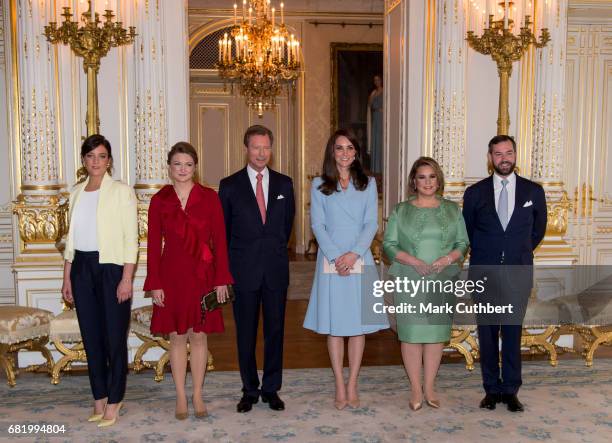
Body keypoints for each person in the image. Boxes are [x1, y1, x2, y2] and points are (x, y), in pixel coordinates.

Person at [143, 142, 232, 420]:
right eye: (177, 164)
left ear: (195, 167)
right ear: (169, 168)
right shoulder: (160, 200)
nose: (183, 169)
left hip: (203, 276)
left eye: (188, 164)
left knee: (200, 335)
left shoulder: (209, 198)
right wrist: (155, 283)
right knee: (177, 337)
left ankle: (197, 394)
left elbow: (220, 242)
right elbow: (153, 245)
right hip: (171, 277)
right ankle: (181, 395)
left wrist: (221, 280)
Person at [304, 129, 389, 410]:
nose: (344, 153)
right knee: (335, 326)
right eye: (339, 148)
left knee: (357, 326)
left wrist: (353, 255)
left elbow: (371, 224)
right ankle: (339, 384)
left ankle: (353, 383)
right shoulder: (318, 184)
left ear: (356, 153)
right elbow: (317, 225)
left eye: (349, 148)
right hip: (330, 259)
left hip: (359, 258)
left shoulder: (368, 184)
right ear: (332, 152)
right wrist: (336, 256)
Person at [463, 135, 547, 412]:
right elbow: (469, 231)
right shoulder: (474, 193)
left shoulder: (533, 192)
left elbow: (538, 231)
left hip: (517, 274)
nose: (504, 158)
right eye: (498, 154)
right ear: (490, 157)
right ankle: (491, 390)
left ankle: (510, 390)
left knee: (512, 333)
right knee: (487, 334)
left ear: (515, 154)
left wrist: (516, 253)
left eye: (508, 152)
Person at [61, 134, 138, 427]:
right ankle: (99, 397)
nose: (96, 161)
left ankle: (115, 400)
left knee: (114, 338)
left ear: (109, 161)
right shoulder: (76, 192)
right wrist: (67, 276)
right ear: (84, 160)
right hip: (81, 268)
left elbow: (131, 239)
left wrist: (126, 278)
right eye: (91, 156)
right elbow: (72, 240)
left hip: (112, 269)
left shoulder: (121, 191)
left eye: (102, 156)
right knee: (91, 338)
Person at [219, 125, 295, 413]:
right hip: (243, 272)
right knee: (246, 334)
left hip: (275, 270)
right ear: (246, 149)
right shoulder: (229, 186)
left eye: (266, 147)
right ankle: (249, 390)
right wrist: (225, 274)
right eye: (256, 147)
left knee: (275, 332)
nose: (261, 153)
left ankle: (271, 389)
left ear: (271, 149)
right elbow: (223, 234)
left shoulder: (285, 184)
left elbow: (286, 226)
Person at [383, 156, 468, 410]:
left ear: (438, 179)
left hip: (441, 281)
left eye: (432, 176)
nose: (427, 182)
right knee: (411, 336)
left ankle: (430, 386)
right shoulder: (401, 210)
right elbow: (389, 245)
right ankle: (415, 388)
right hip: (410, 279)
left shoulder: (453, 210)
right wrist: (412, 261)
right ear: (414, 181)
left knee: (434, 336)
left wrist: (447, 259)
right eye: (422, 177)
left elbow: (462, 243)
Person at [367, 74, 384, 174]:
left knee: (381, 141)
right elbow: (369, 105)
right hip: (375, 118)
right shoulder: (373, 93)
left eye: (378, 80)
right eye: (375, 80)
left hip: (382, 118)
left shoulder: (385, 91)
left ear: (381, 80)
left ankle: (381, 167)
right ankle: (375, 168)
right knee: (375, 140)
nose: (376, 82)